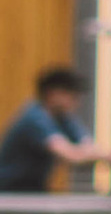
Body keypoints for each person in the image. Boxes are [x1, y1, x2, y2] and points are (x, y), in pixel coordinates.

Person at [0, 66, 100, 194]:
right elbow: (70, 155)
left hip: (33, 191)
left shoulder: (63, 118)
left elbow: (89, 145)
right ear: (52, 93)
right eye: (71, 94)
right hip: (8, 194)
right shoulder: (35, 117)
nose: (76, 101)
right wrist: (99, 154)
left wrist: (90, 152)